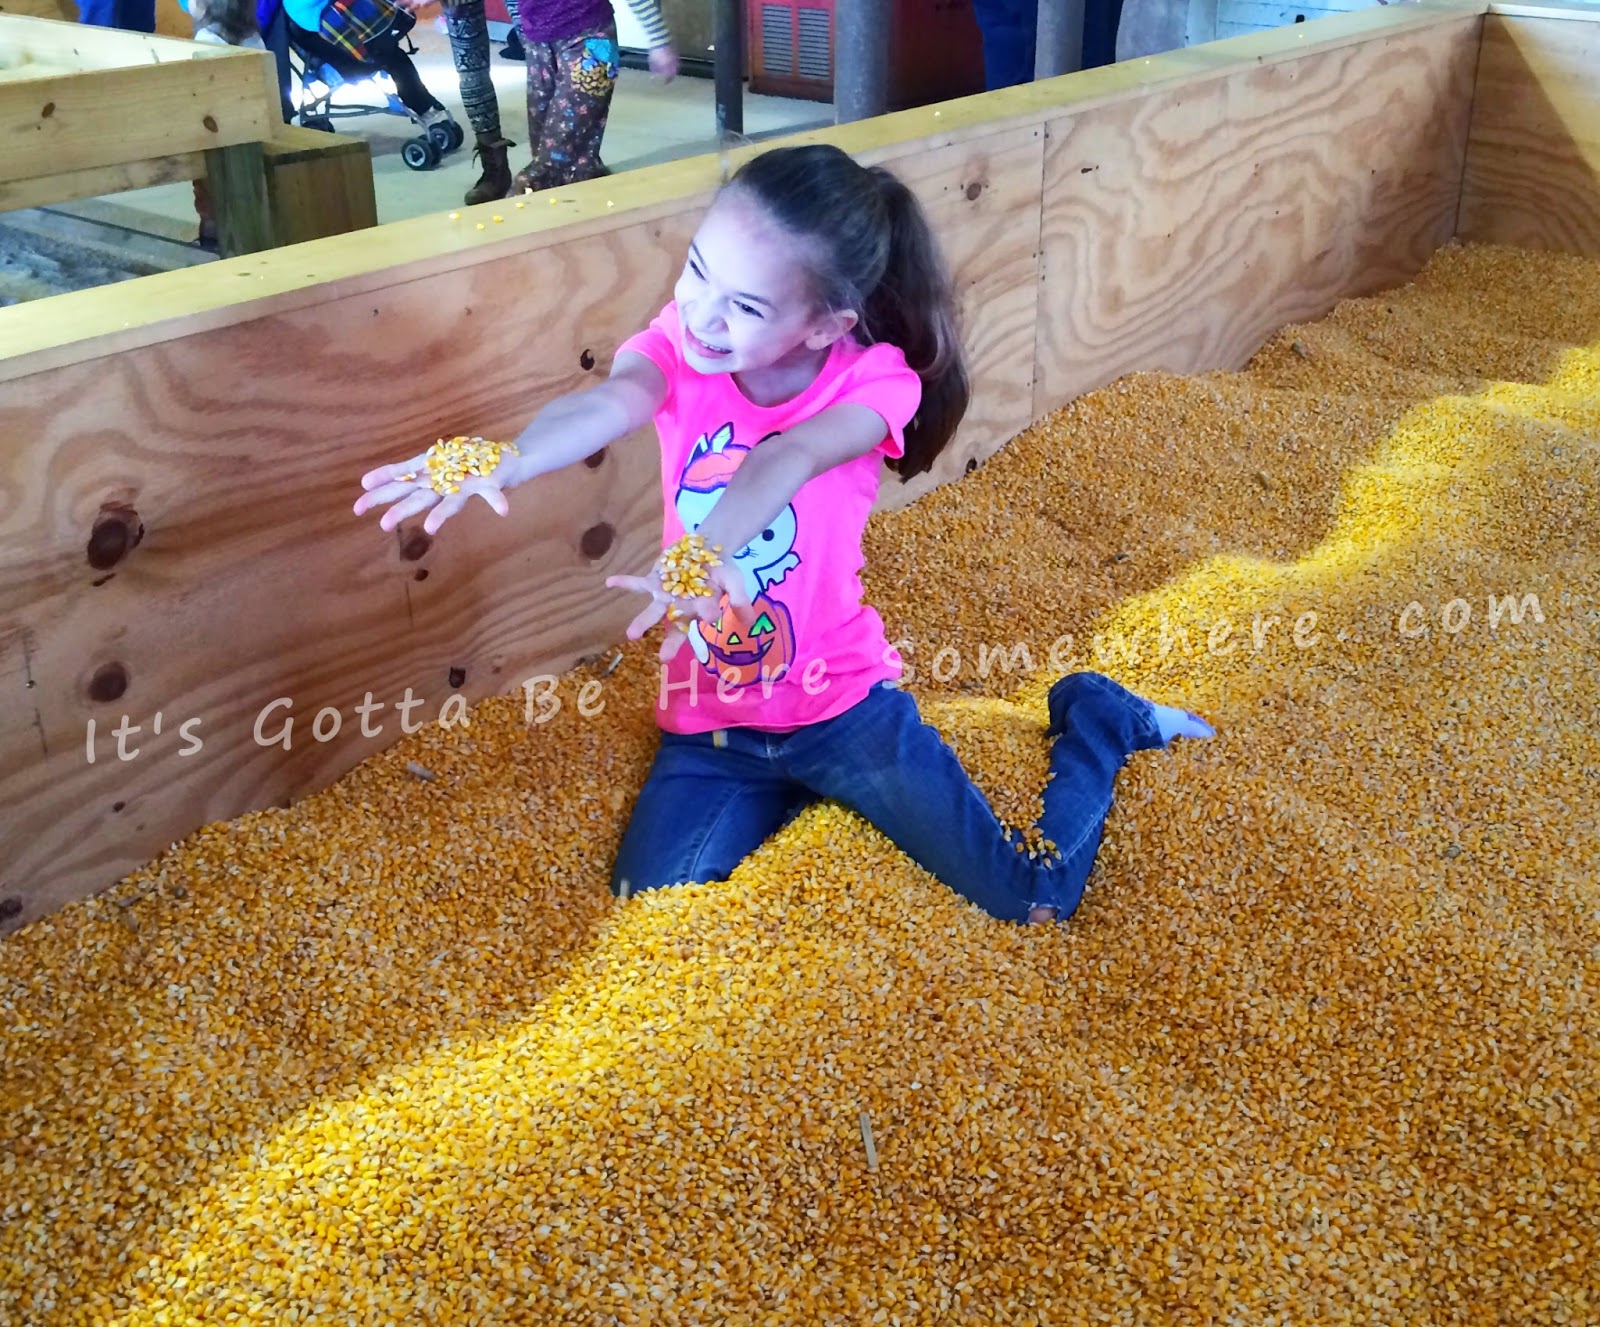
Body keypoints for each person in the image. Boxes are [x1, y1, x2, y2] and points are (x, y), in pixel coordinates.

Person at [353, 144, 1214, 926]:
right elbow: (609, 402)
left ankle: (1100, 717)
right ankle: (793, 797)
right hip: (711, 727)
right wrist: (508, 458)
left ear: (825, 324)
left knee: (1032, 896)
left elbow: (788, 456)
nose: (701, 315)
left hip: (842, 710)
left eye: (744, 305)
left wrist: (705, 551)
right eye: (697, 271)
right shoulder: (678, 344)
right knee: (651, 914)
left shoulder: (875, 384)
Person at [511, 0, 678, 193]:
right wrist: (522, 25)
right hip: (537, 41)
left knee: (548, 164)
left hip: (588, 36)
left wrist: (659, 41)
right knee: (547, 147)